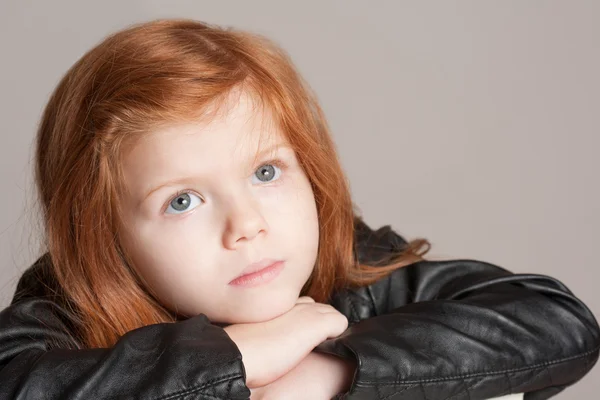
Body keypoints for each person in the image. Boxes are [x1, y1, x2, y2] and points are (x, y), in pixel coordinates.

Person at [0, 18, 598, 400]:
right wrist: (242, 358)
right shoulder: (62, 309)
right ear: (104, 236)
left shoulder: (349, 267)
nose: (247, 226)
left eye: (265, 172)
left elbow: (558, 321)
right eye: (182, 200)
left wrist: (328, 374)